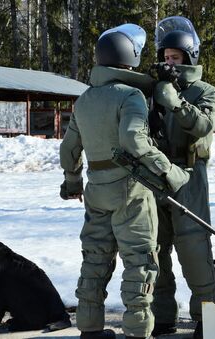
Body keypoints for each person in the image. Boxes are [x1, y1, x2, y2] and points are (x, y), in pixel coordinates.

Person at [59, 23, 190, 339]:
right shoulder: (131, 95)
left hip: (96, 190)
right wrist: (171, 173)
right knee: (139, 263)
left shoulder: (86, 98)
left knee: (95, 259)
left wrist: (72, 182)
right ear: (130, 56)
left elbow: (69, 148)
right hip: (130, 190)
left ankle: (90, 328)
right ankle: (136, 331)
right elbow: (134, 140)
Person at [148, 16, 215, 339]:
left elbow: (203, 126)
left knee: (193, 247)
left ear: (189, 58)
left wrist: (174, 100)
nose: (168, 63)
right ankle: (163, 315)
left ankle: (206, 315)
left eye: (175, 58)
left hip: (190, 175)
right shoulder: (153, 88)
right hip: (156, 173)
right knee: (156, 247)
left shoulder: (204, 91)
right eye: (165, 57)